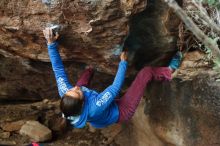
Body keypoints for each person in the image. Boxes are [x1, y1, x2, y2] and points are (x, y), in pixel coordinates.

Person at [43, 28, 182, 128]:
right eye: (77, 93)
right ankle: (169, 71)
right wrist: (123, 63)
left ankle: (90, 69)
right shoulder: (94, 107)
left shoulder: (65, 92)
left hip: (99, 118)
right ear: (83, 103)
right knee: (146, 73)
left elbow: (58, 69)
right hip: (121, 110)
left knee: (83, 81)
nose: (75, 88)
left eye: (71, 90)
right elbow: (115, 88)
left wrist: (50, 44)